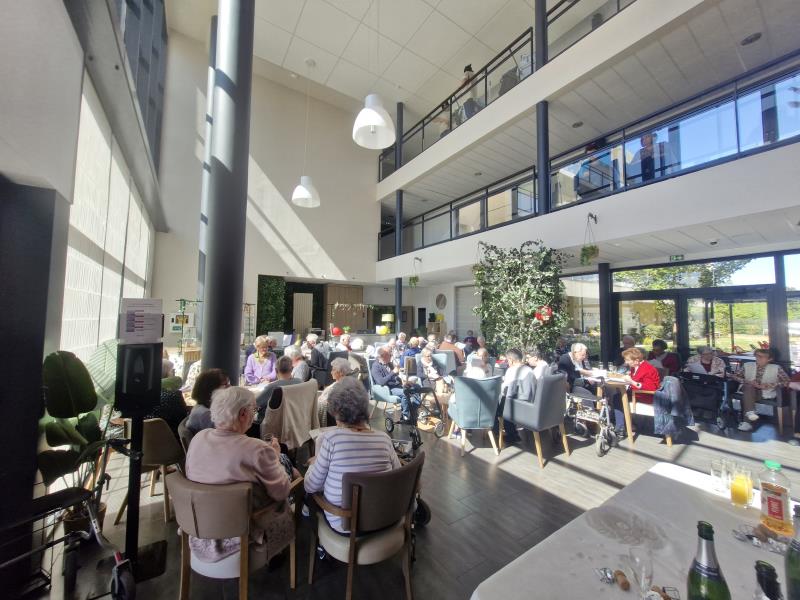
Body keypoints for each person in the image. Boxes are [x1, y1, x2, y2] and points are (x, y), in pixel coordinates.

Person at [185, 386, 295, 563]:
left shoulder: (198, 438)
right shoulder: (257, 449)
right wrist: (274, 457)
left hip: (200, 525)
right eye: (254, 410)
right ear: (243, 414)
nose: (254, 414)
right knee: (291, 474)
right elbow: (281, 492)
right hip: (243, 531)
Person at [304, 378, 400, 533]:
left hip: (346, 525)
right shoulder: (384, 439)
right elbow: (398, 474)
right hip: (383, 518)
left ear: (336, 412)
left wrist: (314, 463)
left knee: (309, 497)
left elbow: (310, 486)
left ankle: (320, 543)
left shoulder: (331, 440)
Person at [730, 348, 790, 431]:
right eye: (757, 356)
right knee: (749, 387)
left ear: (769, 359)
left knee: (748, 393)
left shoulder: (776, 368)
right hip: (747, 388)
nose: (758, 358)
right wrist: (747, 381)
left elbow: (787, 381)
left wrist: (769, 385)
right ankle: (749, 414)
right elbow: (734, 376)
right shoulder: (748, 365)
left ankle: (748, 420)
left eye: (762, 357)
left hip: (764, 392)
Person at [612, 347, 661, 438]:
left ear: (636, 360)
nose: (626, 362)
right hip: (637, 393)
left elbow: (651, 388)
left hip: (646, 396)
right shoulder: (635, 367)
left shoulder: (648, 369)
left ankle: (621, 428)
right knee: (618, 396)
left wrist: (631, 382)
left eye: (628, 360)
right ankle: (625, 425)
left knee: (618, 398)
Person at [499, 348, 536, 444]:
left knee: (496, 404)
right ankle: (513, 433)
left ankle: (508, 435)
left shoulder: (511, 371)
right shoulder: (529, 370)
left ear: (511, 360)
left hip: (517, 408)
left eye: (507, 360)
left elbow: (506, 391)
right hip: (531, 404)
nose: (507, 363)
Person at [186, 368, 229, 434]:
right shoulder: (205, 414)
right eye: (225, 384)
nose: (230, 387)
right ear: (211, 388)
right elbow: (224, 435)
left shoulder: (205, 406)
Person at [370, 346, 408, 419]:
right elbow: (381, 382)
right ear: (383, 356)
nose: (391, 356)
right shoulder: (375, 366)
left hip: (397, 385)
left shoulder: (389, 364)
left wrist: (404, 381)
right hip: (388, 388)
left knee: (415, 389)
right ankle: (405, 416)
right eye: (390, 355)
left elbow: (396, 376)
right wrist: (393, 372)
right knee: (407, 393)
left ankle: (413, 414)